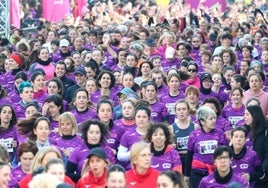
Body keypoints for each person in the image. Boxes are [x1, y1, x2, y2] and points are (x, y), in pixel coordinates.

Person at [185, 106, 228, 188]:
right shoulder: (194, 135)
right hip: (197, 172)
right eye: (211, 119)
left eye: (214, 118)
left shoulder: (220, 133)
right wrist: (187, 175)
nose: (214, 121)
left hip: (216, 172)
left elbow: (226, 152)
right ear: (202, 121)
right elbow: (189, 155)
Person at [244, 105, 268, 187]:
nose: (244, 117)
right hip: (246, 174)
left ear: (254, 115)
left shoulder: (265, 132)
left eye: (247, 114)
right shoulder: (244, 131)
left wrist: (262, 172)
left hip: (261, 177)